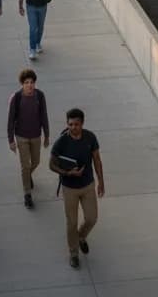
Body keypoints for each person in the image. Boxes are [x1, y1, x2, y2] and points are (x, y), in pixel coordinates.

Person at [49, 107, 104, 269]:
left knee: (92, 218)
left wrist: (101, 181)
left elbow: (97, 159)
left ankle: (80, 237)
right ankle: (73, 253)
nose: (73, 127)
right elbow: (51, 164)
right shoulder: (61, 142)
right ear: (67, 124)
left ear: (82, 123)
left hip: (88, 185)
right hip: (69, 189)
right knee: (71, 222)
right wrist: (67, 172)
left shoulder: (90, 137)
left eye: (76, 124)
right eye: (70, 124)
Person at [7, 68, 50, 208]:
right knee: (25, 165)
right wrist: (11, 140)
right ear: (22, 84)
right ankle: (27, 194)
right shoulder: (16, 98)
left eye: (32, 82)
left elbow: (44, 115)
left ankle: (27, 175)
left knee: (36, 162)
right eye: (26, 82)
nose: (29, 85)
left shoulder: (40, 96)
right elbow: (10, 120)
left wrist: (47, 135)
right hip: (21, 137)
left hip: (36, 135)